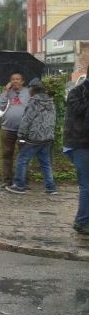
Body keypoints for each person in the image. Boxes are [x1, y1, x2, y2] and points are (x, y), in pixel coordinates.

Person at [5, 78, 56, 195]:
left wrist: (21, 136)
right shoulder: (50, 101)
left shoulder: (34, 102)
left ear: (32, 89)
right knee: (45, 163)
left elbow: (26, 120)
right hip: (47, 137)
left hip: (34, 138)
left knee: (22, 160)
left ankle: (19, 185)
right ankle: (50, 187)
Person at [64, 66, 89, 235]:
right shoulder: (77, 92)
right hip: (80, 144)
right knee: (87, 184)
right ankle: (82, 221)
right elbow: (79, 113)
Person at [0, 73, 29, 186]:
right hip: (7, 128)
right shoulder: (7, 92)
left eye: (17, 79)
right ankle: (7, 180)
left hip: (23, 129)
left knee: (24, 154)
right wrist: (6, 91)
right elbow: (1, 107)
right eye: (13, 79)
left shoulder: (28, 92)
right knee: (7, 154)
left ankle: (22, 180)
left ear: (22, 81)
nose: (15, 81)